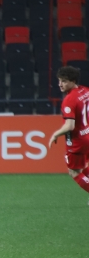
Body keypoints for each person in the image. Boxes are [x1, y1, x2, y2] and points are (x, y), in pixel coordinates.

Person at [48, 65, 89, 202]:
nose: (60, 84)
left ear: (73, 81)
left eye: (64, 81)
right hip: (87, 133)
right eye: (59, 80)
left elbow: (70, 125)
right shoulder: (85, 90)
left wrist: (55, 134)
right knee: (84, 166)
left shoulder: (69, 99)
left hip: (78, 140)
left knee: (74, 172)